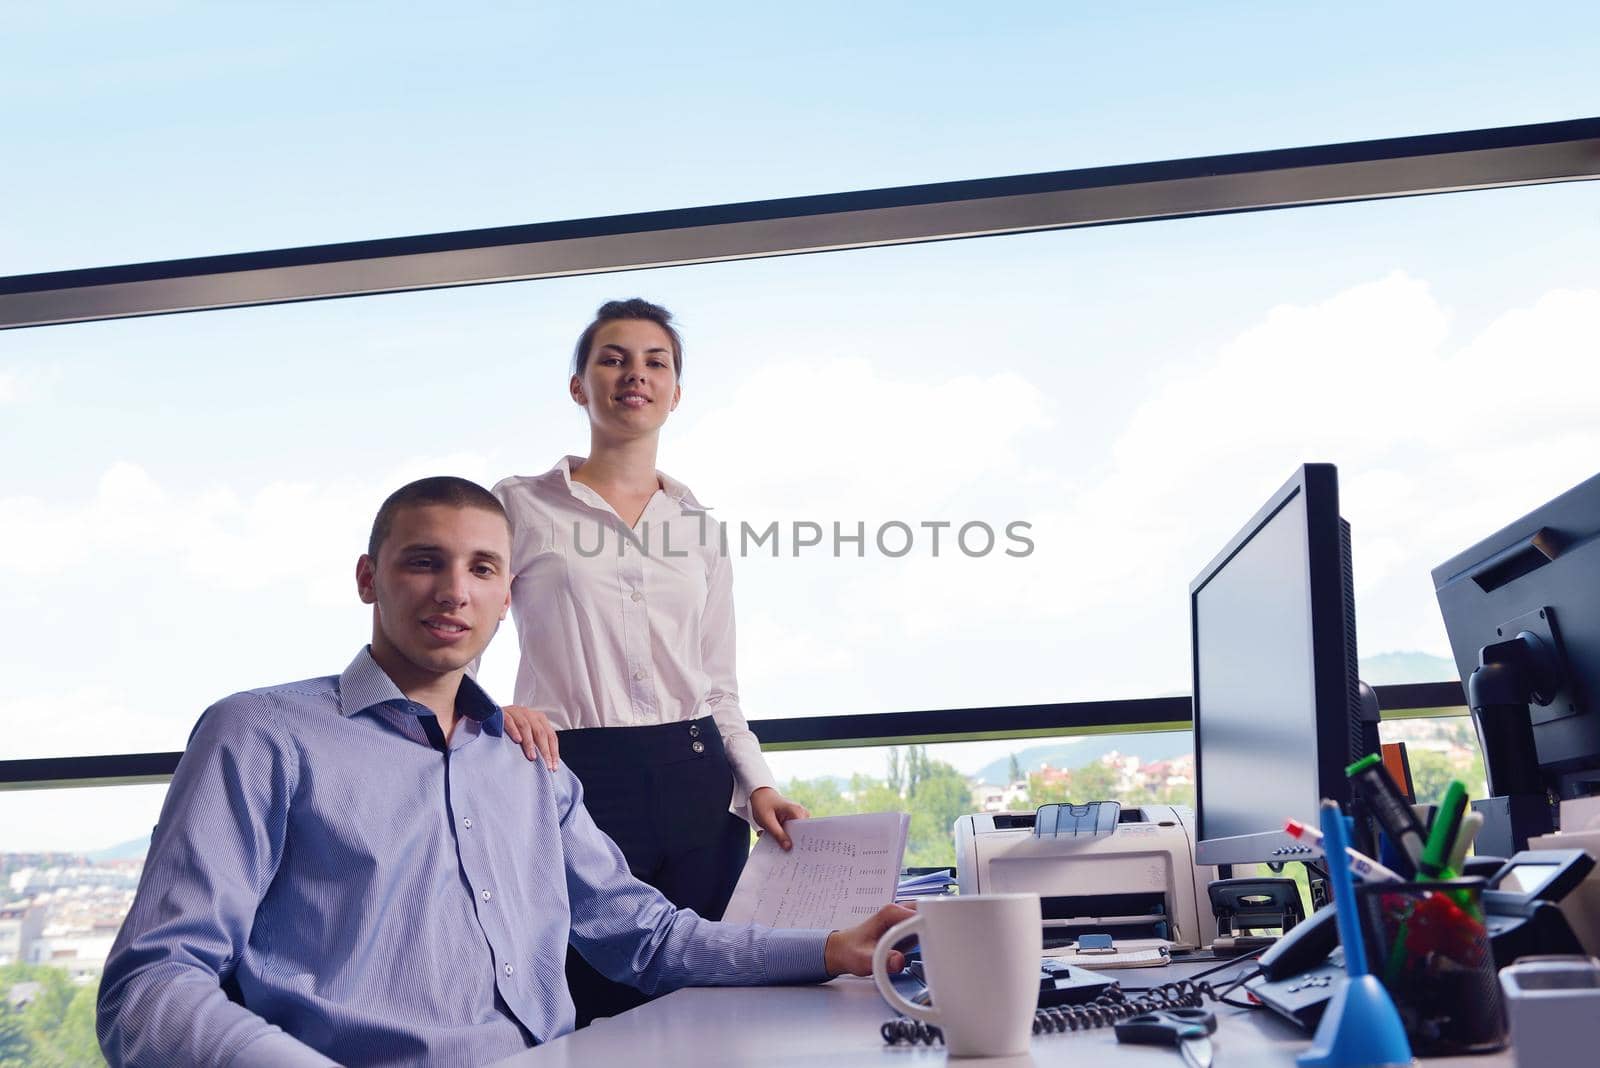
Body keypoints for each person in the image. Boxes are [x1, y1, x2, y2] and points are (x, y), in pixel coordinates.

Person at [96, 476, 909, 1067]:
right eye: (424, 562)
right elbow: (151, 985)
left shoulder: (529, 758)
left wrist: (832, 947)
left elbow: (646, 938)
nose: (454, 591)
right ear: (367, 578)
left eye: (483, 569)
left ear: (507, 597)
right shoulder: (261, 734)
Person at [491, 299, 814, 1025]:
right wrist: (491, 711)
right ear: (579, 385)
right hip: (573, 776)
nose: (634, 374)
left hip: (698, 780)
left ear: (675, 391)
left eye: (654, 361)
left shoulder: (697, 526)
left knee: (710, 998)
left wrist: (757, 784)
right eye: (612, 358)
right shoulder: (519, 505)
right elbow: (464, 631)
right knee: (591, 997)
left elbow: (719, 685)